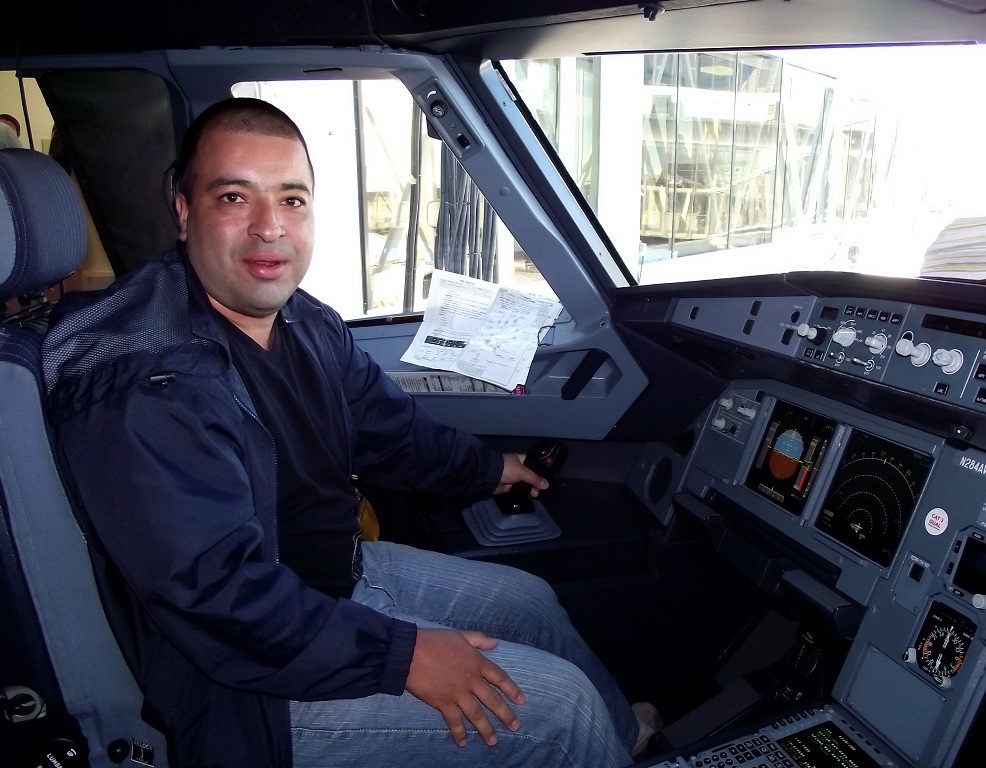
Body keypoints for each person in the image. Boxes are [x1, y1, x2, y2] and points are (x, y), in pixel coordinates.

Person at [42, 98, 660, 768]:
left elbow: (390, 429)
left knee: (532, 602)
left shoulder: (304, 322)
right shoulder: (148, 383)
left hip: (329, 582)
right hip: (239, 683)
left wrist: (490, 470)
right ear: (185, 211)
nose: (268, 228)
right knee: (559, 708)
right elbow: (220, 597)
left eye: (292, 199)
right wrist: (406, 656)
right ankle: (591, 741)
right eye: (233, 197)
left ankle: (625, 745)